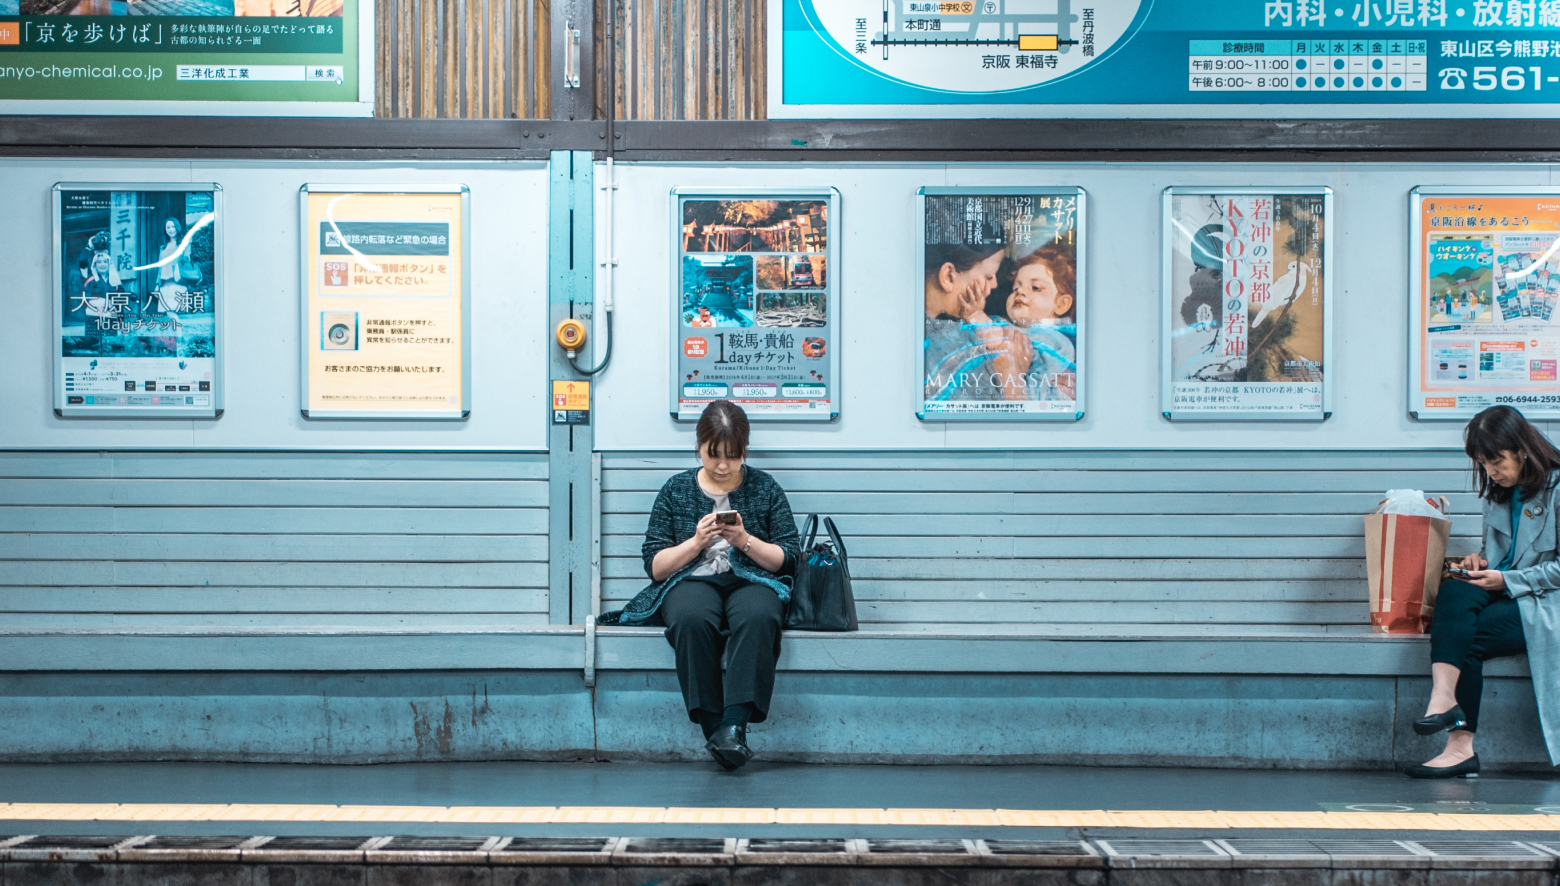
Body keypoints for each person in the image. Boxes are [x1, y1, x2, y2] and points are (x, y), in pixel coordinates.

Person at [599, 400, 800, 771]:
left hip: (750, 579)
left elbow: (789, 556)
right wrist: (695, 543)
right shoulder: (676, 489)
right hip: (690, 580)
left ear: (745, 452)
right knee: (690, 618)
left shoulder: (765, 488)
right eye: (714, 455)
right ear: (698, 447)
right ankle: (718, 730)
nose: (723, 465)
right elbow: (655, 566)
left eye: (733, 456)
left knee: (760, 614)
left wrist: (744, 541)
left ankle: (733, 725)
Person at [1411, 405, 1560, 778]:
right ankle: (1443, 698)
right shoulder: (1497, 493)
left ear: (1521, 448)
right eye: (1484, 463)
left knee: (1468, 638)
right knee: (1455, 590)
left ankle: (1460, 747)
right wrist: (1479, 561)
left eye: (1496, 461)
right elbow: (1499, 554)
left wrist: (1506, 580)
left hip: (1543, 599)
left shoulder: (1557, 488)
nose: (1492, 471)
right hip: (1504, 590)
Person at [923, 242, 1019, 403]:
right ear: (949, 276)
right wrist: (1010, 368)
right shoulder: (944, 343)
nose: (995, 284)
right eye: (988, 277)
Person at [983, 243, 1078, 402]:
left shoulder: (1055, 343)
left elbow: (1041, 393)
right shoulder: (1000, 323)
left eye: (1035, 287)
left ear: (1061, 304)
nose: (1020, 291)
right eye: (1015, 288)